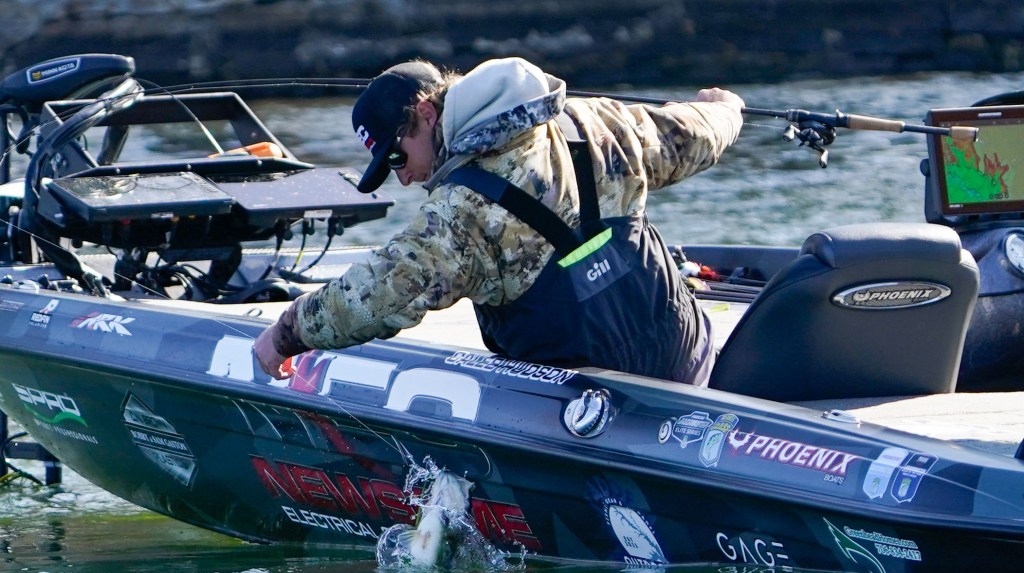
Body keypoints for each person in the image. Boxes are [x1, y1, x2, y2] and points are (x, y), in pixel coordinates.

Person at [254, 56, 744, 385]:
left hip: (588, 406)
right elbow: (695, 134)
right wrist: (724, 109)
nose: (403, 179)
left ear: (426, 113)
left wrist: (285, 335)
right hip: (686, 361)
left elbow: (376, 297)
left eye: (397, 158)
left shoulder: (459, 214)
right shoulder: (594, 121)